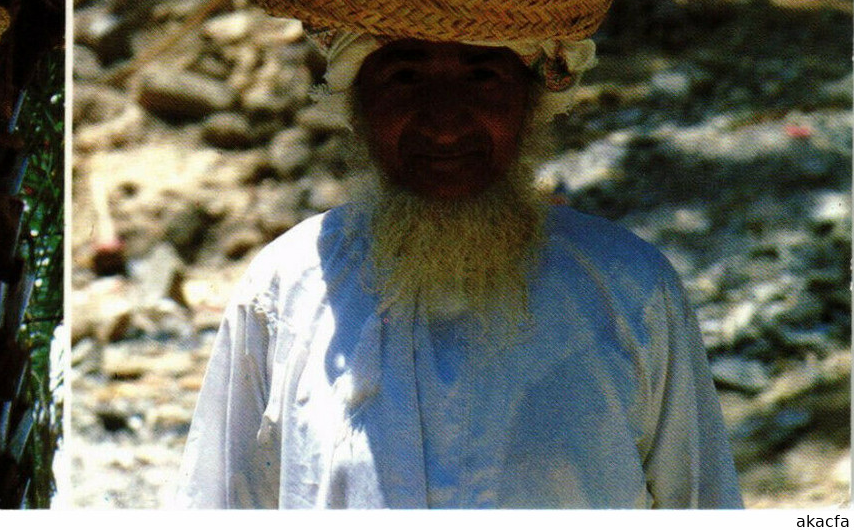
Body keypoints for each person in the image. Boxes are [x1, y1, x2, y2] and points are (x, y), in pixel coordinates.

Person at [173, 30, 743, 509]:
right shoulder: (285, 287)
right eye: (404, 78)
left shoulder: (628, 287)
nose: (444, 123)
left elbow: (701, 502)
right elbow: (219, 503)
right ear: (357, 106)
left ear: (531, 104)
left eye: (482, 77)